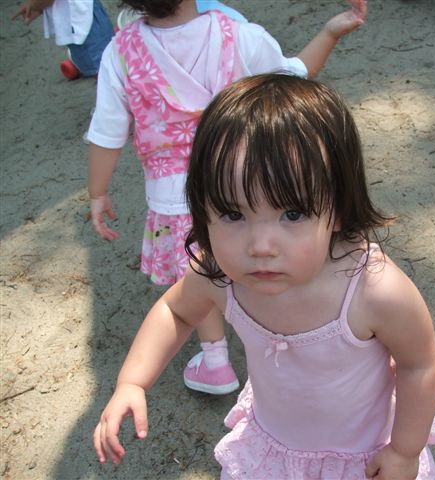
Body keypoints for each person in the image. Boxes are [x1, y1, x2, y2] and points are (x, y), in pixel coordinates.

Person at [93, 73, 435, 480]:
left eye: (292, 214)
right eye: (232, 214)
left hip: (363, 459)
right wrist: (132, 381)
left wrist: (404, 451)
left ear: (338, 209)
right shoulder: (219, 275)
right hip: (274, 454)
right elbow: (176, 311)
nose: (260, 245)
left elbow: (418, 365)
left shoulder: (373, 289)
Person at [86, 0, 367, 397]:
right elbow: (293, 77)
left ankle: (215, 360)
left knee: (200, 272)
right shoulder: (238, 35)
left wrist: (97, 192)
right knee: (267, 251)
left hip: (173, 196)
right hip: (247, 183)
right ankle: (292, 329)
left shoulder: (121, 52)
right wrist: (330, 33)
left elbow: (107, 129)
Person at [11, 0, 114, 80]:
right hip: (82, 16)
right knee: (107, 68)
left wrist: (33, 5)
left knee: (104, 72)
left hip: (81, 23)